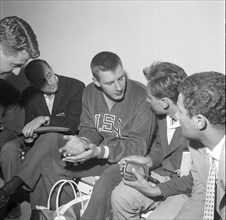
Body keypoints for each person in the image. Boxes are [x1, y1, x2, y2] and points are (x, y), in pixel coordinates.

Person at [0, 51, 157, 218]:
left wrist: (99, 151)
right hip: (100, 154)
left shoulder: (140, 95)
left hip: (127, 161)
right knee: (50, 164)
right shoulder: (90, 92)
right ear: (96, 82)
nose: (119, 87)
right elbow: (89, 128)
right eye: (110, 82)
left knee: (103, 187)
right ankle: (58, 214)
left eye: (121, 78)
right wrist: (83, 141)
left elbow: (138, 146)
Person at [82, 61, 190, 220]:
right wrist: (147, 161)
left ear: (165, 102)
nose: (146, 101)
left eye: (149, 97)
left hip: (184, 188)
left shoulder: (194, 124)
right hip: (163, 175)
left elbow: (198, 179)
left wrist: (157, 189)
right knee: (120, 197)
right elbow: (160, 149)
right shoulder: (162, 117)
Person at [112, 71, 225, 220]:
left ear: (200, 121)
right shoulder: (199, 151)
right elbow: (201, 194)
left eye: (182, 113)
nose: (177, 117)